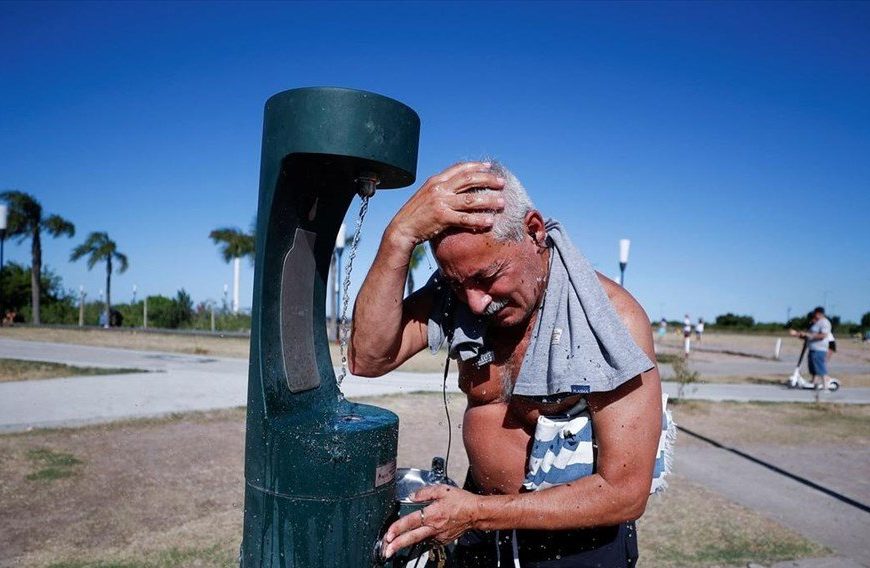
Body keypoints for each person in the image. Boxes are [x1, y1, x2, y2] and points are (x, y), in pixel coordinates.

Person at [350, 161, 663, 567]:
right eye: (458, 284)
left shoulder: (612, 320)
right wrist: (399, 235)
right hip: (481, 530)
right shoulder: (459, 293)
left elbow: (625, 492)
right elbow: (367, 357)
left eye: (488, 276)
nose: (476, 301)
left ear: (534, 231)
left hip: (575, 547)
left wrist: (476, 513)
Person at [789, 306, 833, 390]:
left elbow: (823, 335)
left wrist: (808, 335)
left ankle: (826, 384)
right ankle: (814, 382)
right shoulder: (815, 323)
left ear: (820, 314)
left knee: (819, 366)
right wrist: (797, 334)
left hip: (819, 349)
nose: (814, 315)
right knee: (812, 367)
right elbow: (808, 336)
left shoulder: (824, 323)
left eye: (815, 313)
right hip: (812, 348)